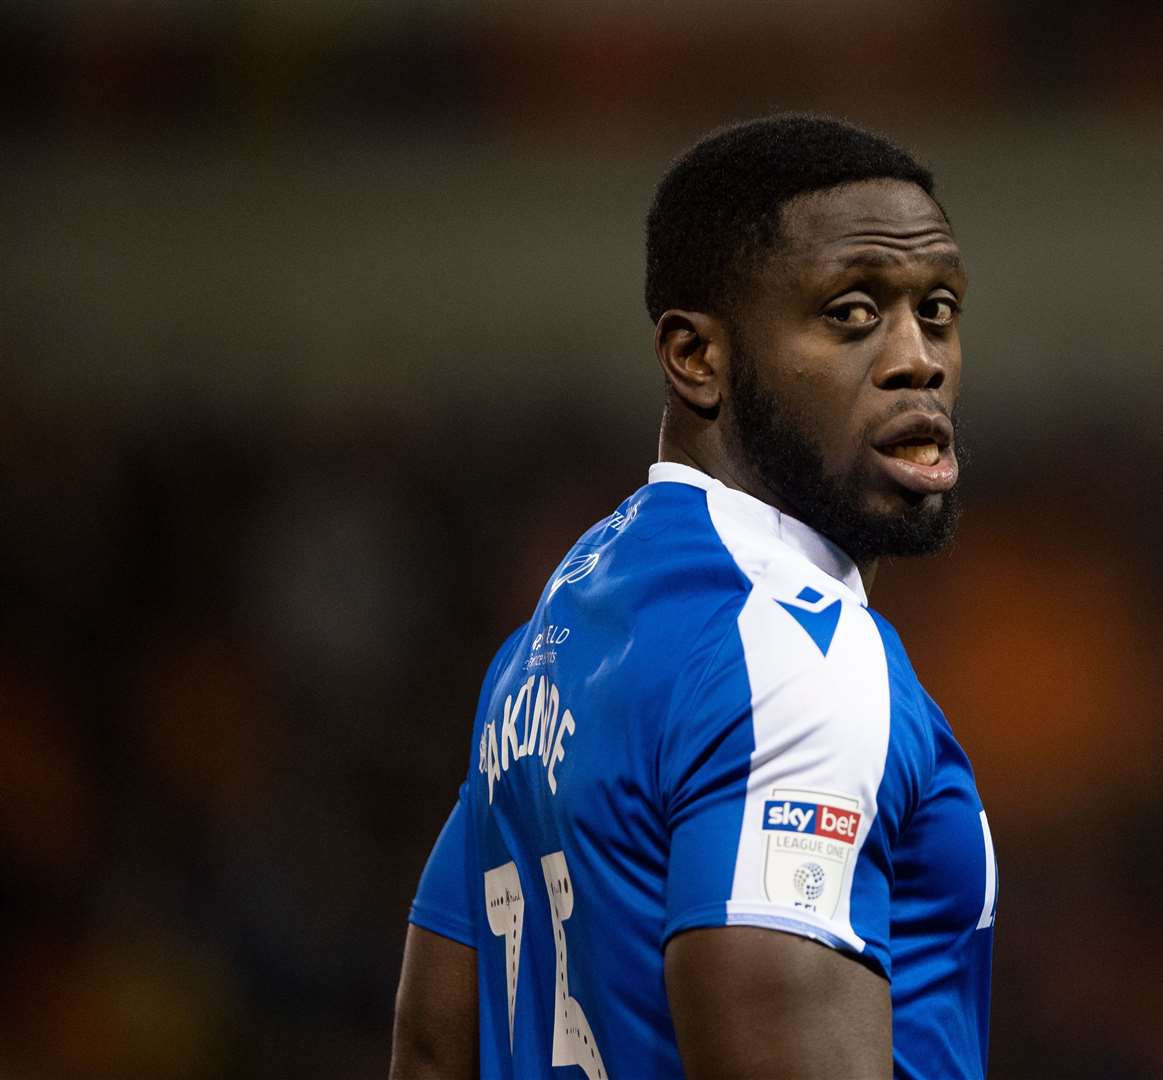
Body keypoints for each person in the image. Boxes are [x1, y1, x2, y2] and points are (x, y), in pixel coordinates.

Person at [389, 114, 996, 1080]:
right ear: (695, 359)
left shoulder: (556, 637)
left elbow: (430, 1053)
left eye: (938, 308)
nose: (916, 356)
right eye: (850, 312)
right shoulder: (791, 657)